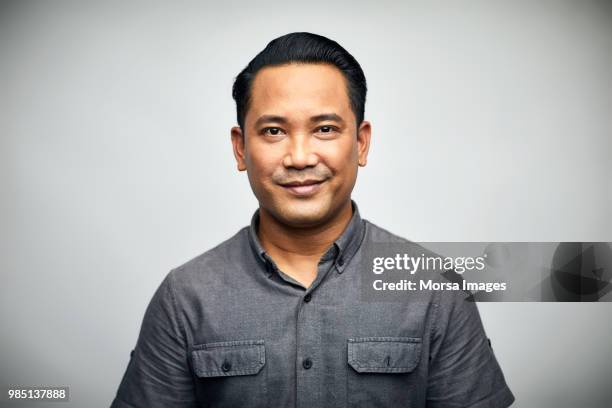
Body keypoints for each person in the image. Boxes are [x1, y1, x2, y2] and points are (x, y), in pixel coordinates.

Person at [111, 32, 515, 407]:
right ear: (240, 149)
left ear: (360, 142)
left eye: (324, 128)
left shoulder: (433, 289)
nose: (300, 157)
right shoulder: (185, 297)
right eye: (273, 131)